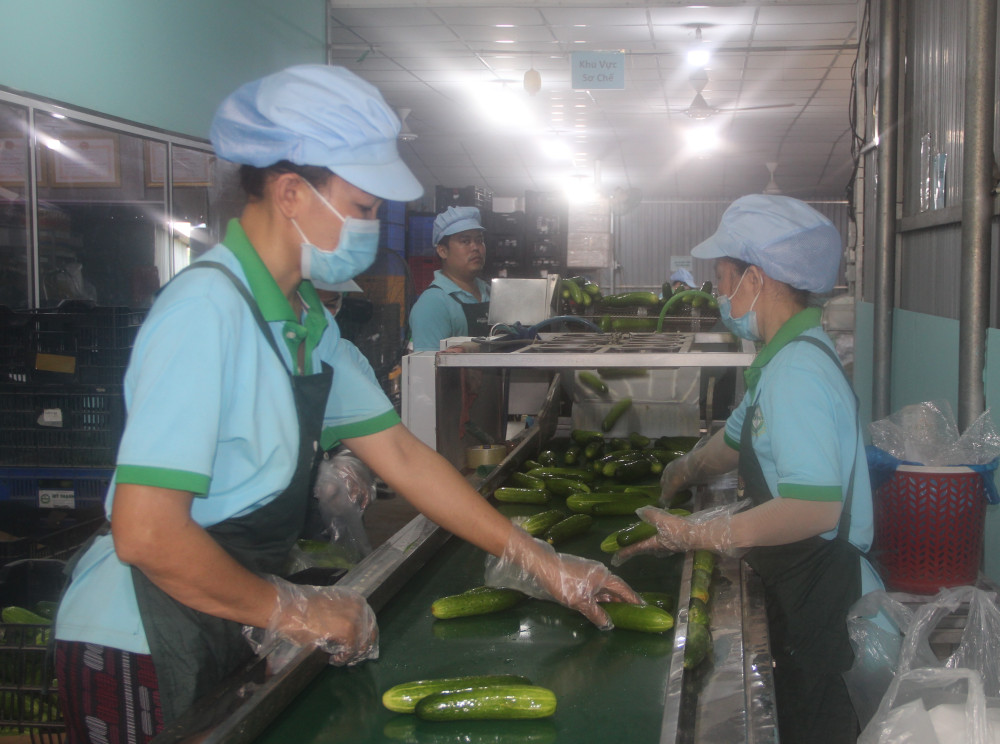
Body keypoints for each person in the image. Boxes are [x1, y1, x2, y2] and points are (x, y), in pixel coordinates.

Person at [53, 64, 639, 743]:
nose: (372, 229)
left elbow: (402, 457)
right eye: (362, 209)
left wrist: (543, 563)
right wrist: (293, 609)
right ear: (291, 193)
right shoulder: (206, 312)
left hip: (225, 609)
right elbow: (147, 533)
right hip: (136, 637)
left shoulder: (308, 322)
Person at [617, 194, 878, 744]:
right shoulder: (784, 357)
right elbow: (735, 440)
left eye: (721, 278)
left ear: (754, 279)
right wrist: (684, 469)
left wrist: (703, 534)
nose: (718, 293)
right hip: (803, 584)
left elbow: (813, 508)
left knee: (818, 727)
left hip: (826, 598)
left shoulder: (797, 373)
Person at [408, 206, 490, 351]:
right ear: (443, 251)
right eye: (465, 241)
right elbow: (428, 364)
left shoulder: (490, 293)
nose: (475, 247)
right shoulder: (433, 304)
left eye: (479, 240)